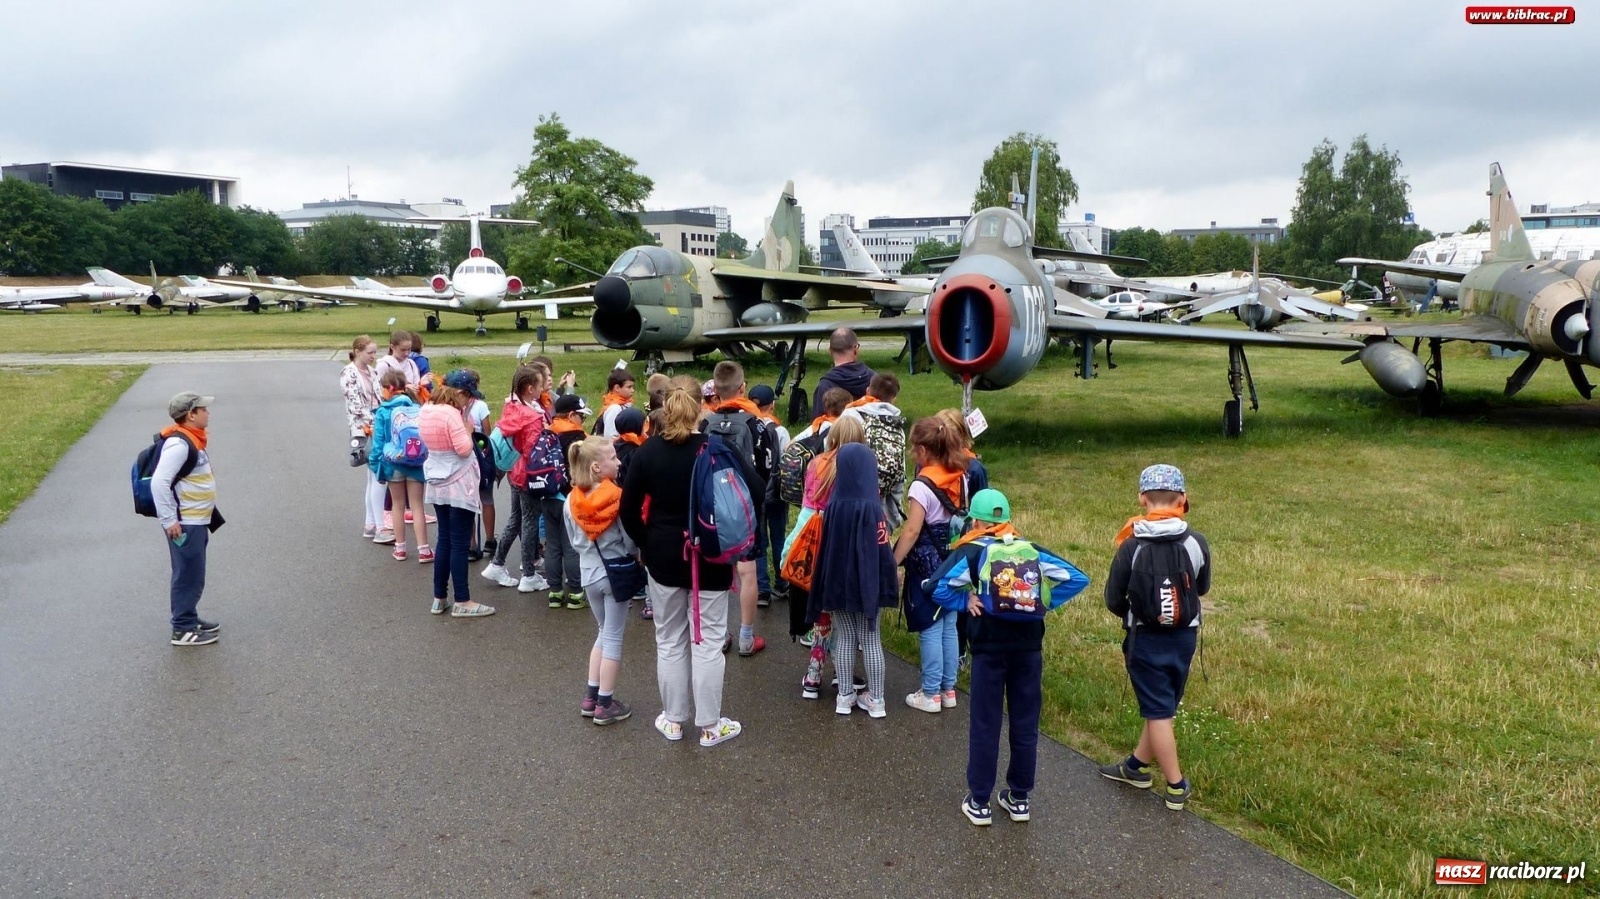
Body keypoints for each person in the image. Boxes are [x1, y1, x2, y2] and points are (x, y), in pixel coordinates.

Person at [923, 488, 1090, 826]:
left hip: (989, 647)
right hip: (1029, 647)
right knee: (1025, 722)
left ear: (977, 520)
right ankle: (1019, 798)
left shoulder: (971, 551)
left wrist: (967, 602)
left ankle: (980, 801)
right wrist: (1039, 604)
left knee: (986, 722)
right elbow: (1077, 578)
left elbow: (935, 587)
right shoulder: (1029, 550)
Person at [620, 384, 760, 748]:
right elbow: (757, 489)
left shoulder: (648, 451)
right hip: (710, 554)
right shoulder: (716, 450)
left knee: (669, 640)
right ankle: (711, 726)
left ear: (664, 410)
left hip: (663, 555)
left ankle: (674, 720)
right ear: (701, 408)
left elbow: (628, 510)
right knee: (709, 642)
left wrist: (646, 543)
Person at [1100, 464, 1211, 812]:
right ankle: (1135, 767)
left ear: (1142, 499)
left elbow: (1112, 598)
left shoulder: (1132, 545)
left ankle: (1176, 786)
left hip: (1145, 638)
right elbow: (1203, 587)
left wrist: (1134, 614)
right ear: (1182, 499)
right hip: (1185, 637)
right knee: (1162, 706)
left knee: (1158, 711)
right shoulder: (1196, 542)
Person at [808, 442, 898, 718]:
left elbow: (827, 550)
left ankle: (844, 696)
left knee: (845, 636)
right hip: (869, 582)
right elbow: (882, 548)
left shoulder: (833, 508)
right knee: (871, 639)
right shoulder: (874, 509)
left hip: (839, 582)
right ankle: (877, 700)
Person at [894, 416, 970, 714]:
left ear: (924, 449)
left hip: (927, 564)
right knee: (950, 624)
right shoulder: (960, 476)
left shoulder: (921, 486)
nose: (913, 453)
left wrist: (894, 561)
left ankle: (930, 693)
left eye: (915, 448)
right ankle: (948, 689)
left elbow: (912, 531)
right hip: (953, 558)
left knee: (929, 624)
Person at [787, 414, 867, 700]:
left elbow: (808, 506)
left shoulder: (815, 463)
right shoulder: (855, 469)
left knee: (821, 615)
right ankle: (842, 674)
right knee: (843, 616)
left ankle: (813, 674)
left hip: (811, 541)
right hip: (839, 546)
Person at [704, 360, 778, 654]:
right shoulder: (755, 423)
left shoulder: (705, 423)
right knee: (747, 570)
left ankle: (720, 633)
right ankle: (747, 636)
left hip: (712, 505)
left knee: (718, 569)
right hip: (746, 506)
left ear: (716, 389)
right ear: (742, 387)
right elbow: (768, 466)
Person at [565, 436, 639, 725]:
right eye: (613, 457)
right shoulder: (617, 498)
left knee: (602, 631)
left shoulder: (571, 499)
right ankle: (605, 704)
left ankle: (590, 696)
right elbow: (629, 540)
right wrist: (636, 557)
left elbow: (573, 540)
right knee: (613, 637)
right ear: (597, 467)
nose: (619, 461)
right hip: (615, 573)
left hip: (588, 574)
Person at [152, 391, 225, 646]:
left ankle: (189, 618)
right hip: (185, 524)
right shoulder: (179, 444)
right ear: (190, 414)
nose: (208, 412)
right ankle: (182, 629)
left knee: (194, 573)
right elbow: (159, 483)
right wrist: (169, 520)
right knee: (187, 574)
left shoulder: (193, 440)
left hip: (197, 520)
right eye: (203, 409)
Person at [420, 384, 493, 617]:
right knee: (460, 543)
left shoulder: (426, 409)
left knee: (444, 539)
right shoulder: (451, 414)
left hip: (436, 479)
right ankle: (463, 599)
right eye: (468, 398)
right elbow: (463, 449)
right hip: (458, 482)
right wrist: (469, 430)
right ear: (459, 394)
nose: (468, 404)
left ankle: (439, 597)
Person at [482, 365, 551, 593]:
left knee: (516, 518)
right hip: (527, 474)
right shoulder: (532, 417)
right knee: (529, 522)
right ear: (531, 388)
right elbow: (534, 449)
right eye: (540, 385)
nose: (543, 388)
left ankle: (498, 563)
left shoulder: (511, 406)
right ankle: (529, 574)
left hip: (512, 470)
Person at [369, 371, 430, 562]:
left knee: (398, 505)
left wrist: (375, 464)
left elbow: (378, 443)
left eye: (382, 388)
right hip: (415, 462)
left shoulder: (383, 411)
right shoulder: (416, 407)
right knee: (418, 505)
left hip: (393, 460)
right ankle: (424, 550)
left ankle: (401, 548)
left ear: (390, 388)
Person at [544, 394, 591, 610]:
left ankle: (554, 592)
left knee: (553, 546)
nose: (583, 421)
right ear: (572, 415)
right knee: (571, 546)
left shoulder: (547, 431)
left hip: (547, 495)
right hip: (569, 497)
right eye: (581, 416)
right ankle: (576, 593)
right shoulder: (577, 436)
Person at [845, 372, 908, 529]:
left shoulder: (851, 415)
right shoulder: (896, 425)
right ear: (893, 398)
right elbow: (900, 473)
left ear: (867, 391)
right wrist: (894, 517)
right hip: (881, 506)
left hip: (851, 498)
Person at [444, 369, 495, 561]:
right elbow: (487, 433)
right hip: (479, 456)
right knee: (486, 499)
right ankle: (490, 540)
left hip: (461, 462)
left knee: (469, 501)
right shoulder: (480, 406)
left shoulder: (446, 409)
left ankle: (472, 544)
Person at [339, 335, 386, 541]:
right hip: (364, 430)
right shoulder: (349, 374)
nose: (374, 357)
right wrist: (377, 422)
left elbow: (380, 397)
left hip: (376, 425)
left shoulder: (372, 371)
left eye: (375, 352)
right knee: (378, 476)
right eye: (370, 353)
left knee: (373, 477)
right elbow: (355, 407)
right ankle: (380, 526)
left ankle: (371, 523)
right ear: (357, 351)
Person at [747, 384, 790, 605]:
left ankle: (762, 589)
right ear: (771, 405)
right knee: (779, 538)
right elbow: (786, 460)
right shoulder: (779, 431)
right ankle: (782, 583)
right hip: (777, 492)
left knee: (760, 540)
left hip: (756, 492)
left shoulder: (748, 427)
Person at [810, 327, 877, 418]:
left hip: (838, 432)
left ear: (830, 351)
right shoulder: (875, 380)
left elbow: (818, 425)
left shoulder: (825, 386)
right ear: (856, 349)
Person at [596, 369, 636, 438]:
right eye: (629, 387)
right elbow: (610, 437)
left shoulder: (623, 404)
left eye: (633, 387)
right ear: (617, 388)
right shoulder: (615, 408)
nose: (633, 390)